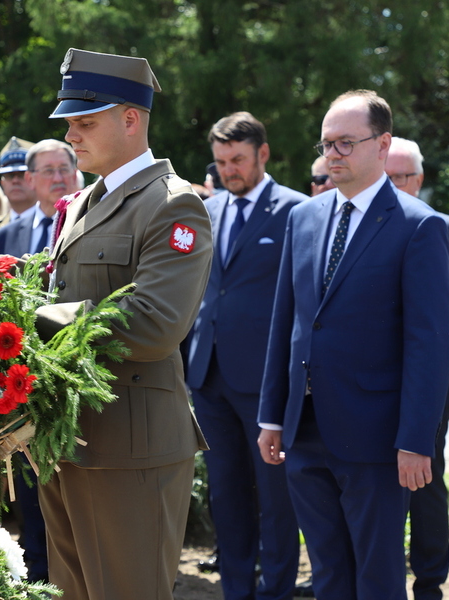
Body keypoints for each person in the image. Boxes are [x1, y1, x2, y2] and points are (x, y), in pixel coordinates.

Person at [257, 90, 449, 600]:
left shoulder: (419, 225)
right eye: (327, 144)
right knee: (328, 573)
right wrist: (272, 415)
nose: (332, 154)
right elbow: (287, 323)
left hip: (377, 438)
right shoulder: (303, 217)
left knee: (378, 575)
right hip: (304, 431)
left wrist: (416, 440)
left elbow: (429, 344)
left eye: (346, 142)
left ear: (383, 144)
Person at [33, 48, 212, 600]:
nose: (71, 135)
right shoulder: (85, 201)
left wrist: (37, 322)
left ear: (130, 119)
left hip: (132, 448)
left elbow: (156, 322)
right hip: (69, 439)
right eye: (69, 124)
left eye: (85, 122)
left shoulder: (172, 204)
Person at [187, 111, 305, 600]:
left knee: (276, 499)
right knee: (226, 494)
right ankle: (235, 590)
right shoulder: (207, 211)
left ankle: (275, 591)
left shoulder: (297, 211)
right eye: (220, 162)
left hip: (265, 382)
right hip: (207, 376)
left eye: (237, 159)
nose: (227, 170)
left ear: (263, 154)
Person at [386, 137, 449, 600]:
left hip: (432, 384)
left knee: (425, 482)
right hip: (373, 383)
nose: (391, 185)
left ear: (419, 180)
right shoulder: (361, 227)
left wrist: (436, 365)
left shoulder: (447, 229)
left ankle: (429, 583)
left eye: (400, 177)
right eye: (384, 175)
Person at [0, 139, 79, 257]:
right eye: (48, 171)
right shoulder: (5, 235)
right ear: (30, 179)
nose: (58, 179)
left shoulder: (87, 227)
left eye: (64, 170)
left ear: (74, 176)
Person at [0, 137, 36, 253]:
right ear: (2, 183)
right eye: (9, 175)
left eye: (22, 174)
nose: (15, 181)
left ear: (33, 179)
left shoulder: (50, 224)